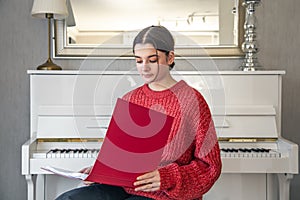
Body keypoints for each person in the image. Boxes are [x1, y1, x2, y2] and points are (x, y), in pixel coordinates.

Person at [56, 25, 221, 200]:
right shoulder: (130, 98)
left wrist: (167, 177)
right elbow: (120, 156)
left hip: (164, 194)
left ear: (170, 57)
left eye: (152, 60)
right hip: (121, 187)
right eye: (139, 60)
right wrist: (101, 171)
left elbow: (210, 166)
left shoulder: (192, 100)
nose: (144, 68)